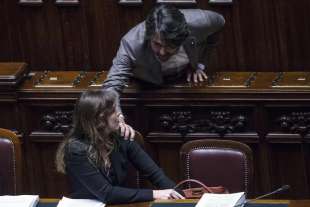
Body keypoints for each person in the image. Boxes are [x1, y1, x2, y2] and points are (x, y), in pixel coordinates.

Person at [103, 4, 225, 139]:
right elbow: (112, 86)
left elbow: (219, 25)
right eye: (157, 44)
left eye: (169, 46)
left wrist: (199, 64)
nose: (162, 52)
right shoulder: (131, 43)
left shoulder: (202, 21)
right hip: (148, 84)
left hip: (184, 85)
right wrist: (116, 114)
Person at [55, 89, 184, 204]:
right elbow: (107, 193)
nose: (120, 114)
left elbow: (155, 174)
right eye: (113, 111)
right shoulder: (76, 149)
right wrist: (156, 194)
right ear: (99, 119)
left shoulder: (120, 137)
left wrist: (179, 196)